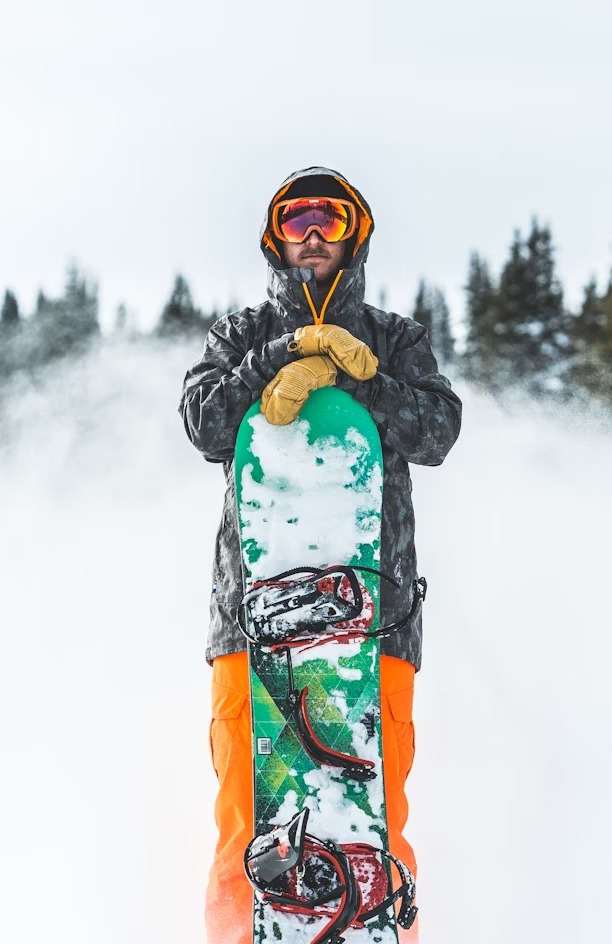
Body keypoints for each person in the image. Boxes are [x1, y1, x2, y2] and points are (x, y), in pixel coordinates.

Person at [179, 166, 462, 944]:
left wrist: (362, 375)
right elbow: (206, 424)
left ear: (354, 234)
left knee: (372, 823)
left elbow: (437, 432)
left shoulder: (395, 339)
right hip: (249, 626)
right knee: (247, 828)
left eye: (327, 221)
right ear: (275, 237)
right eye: (298, 220)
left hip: (377, 626)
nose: (311, 235)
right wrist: (283, 355)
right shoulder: (239, 336)